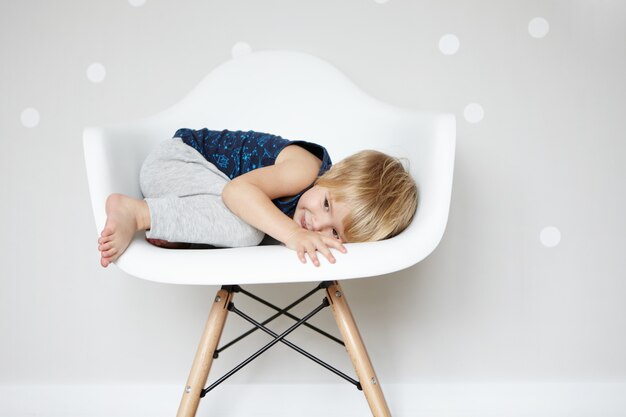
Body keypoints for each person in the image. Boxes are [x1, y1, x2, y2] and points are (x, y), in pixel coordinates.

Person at [97, 128, 418, 268]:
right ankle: (138, 213)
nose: (317, 224)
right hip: (176, 163)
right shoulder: (304, 169)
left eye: (335, 233)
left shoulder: (312, 208)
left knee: (250, 231)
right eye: (326, 204)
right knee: (249, 231)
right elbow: (235, 192)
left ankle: (177, 227)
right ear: (331, 175)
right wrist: (292, 234)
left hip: (191, 190)